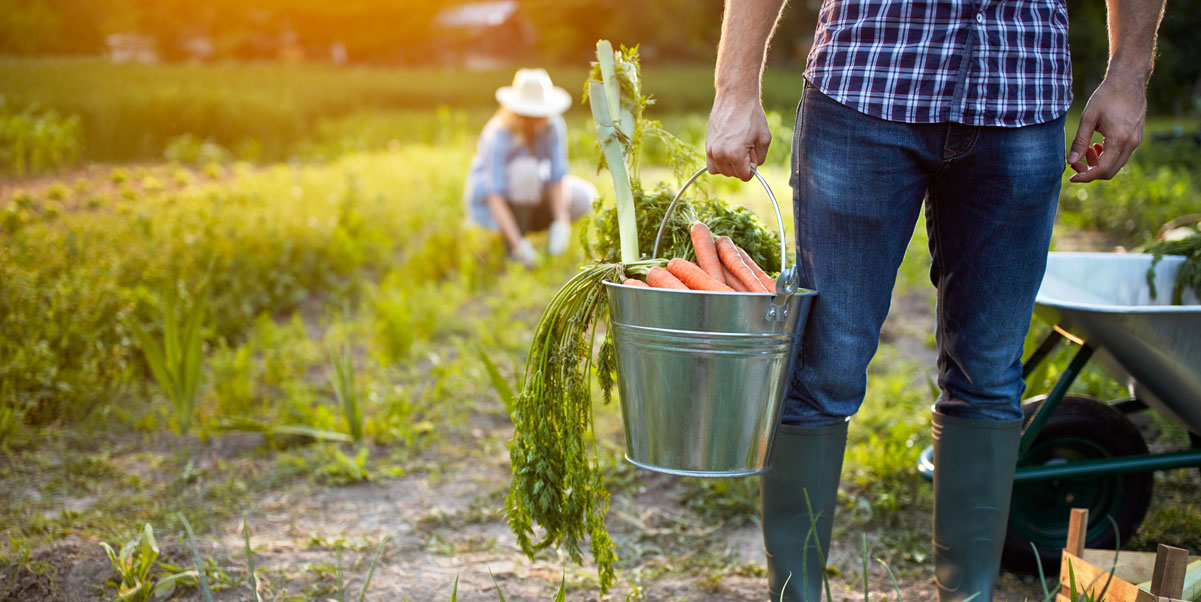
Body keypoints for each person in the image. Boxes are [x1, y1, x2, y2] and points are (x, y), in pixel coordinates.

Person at [704, 0, 1165, 601]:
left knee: (990, 376)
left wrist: (1128, 75)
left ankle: (967, 595)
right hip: (864, 83)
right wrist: (734, 86)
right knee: (824, 371)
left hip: (1020, 90)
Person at [465, 68, 596, 267]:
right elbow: (495, 195)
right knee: (525, 171)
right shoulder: (498, 133)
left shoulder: (553, 125)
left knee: (584, 196)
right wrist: (518, 244)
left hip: (531, 192)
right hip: (495, 206)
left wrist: (561, 224)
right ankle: (515, 244)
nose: (535, 120)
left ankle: (546, 241)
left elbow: (557, 177)